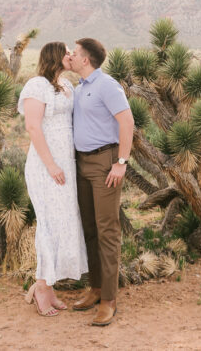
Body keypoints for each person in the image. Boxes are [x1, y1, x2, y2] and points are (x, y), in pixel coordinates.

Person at [18, 41, 89, 316]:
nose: (72, 56)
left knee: (63, 222)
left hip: (66, 166)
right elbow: (33, 127)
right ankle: (41, 287)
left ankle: (49, 286)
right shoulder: (36, 85)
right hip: (45, 165)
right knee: (48, 222)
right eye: (68, 53)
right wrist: (51, 164)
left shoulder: (68, 86)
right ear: (56, 57)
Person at [68, 37, 134, 327]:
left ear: (86, 60)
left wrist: (121, 163)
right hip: (81, 163)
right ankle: (95, 288)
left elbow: (127, 122)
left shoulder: (107, 85)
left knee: (107, 230)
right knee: (90, 229)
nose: (70, 56)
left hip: (105, 163)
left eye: (75, 53)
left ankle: (109, 299)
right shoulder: (79, 88)